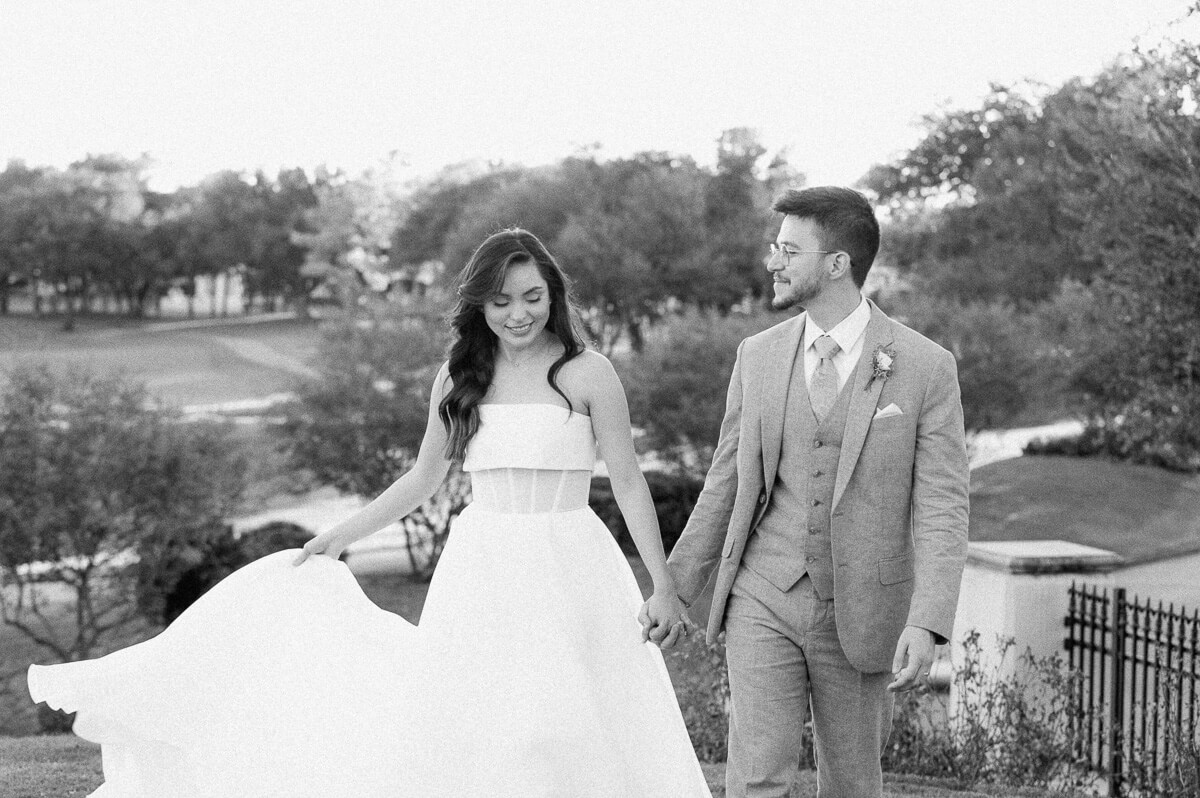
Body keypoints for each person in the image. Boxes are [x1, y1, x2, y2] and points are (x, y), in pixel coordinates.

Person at [28, 228, 711, 798]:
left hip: (574, 559)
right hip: (486, 561)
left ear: (554, 296)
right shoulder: (458, 377)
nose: (519, 314)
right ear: (481, 305)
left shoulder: (589, 373)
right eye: (501, 301)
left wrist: (662, 585)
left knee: (574, 712)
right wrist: (338, 535)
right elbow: (422, 476)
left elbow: (624, 478)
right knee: (485, 715)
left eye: (533, 297)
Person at [647, 186, 970, 798]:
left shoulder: (926, 368)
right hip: (761, 595)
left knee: (852, 784)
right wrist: (673, 586)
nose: (773, 261)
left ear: (837, 264)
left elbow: (943, 506)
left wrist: (927, 622)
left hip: (863, 608)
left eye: (789, 250)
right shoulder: (758, 356)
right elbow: (728, 476)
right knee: (758, 778)